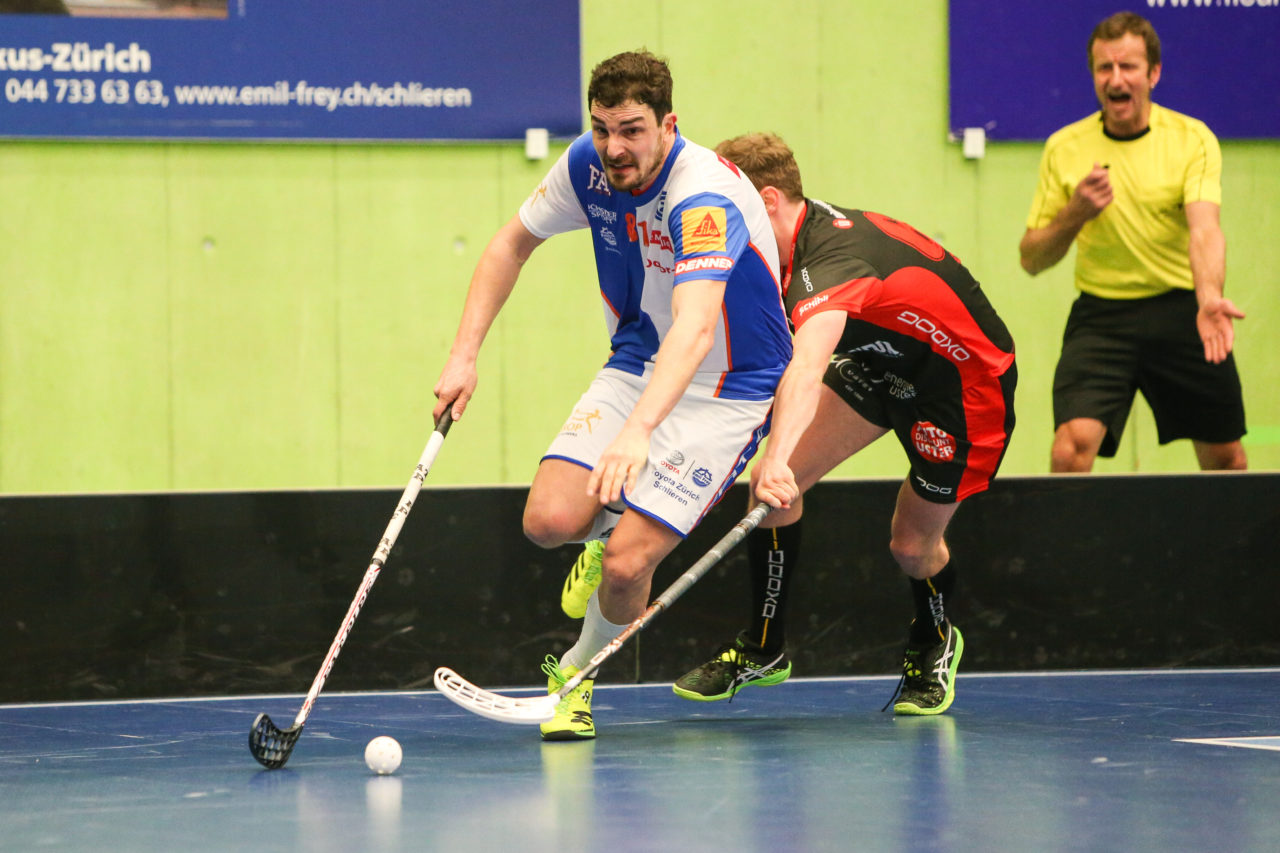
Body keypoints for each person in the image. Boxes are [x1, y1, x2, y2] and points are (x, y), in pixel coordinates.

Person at [433, 51, 792, 742]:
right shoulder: (586, 167)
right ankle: (604, 525)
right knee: (546, 520)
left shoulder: (704, 195)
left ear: (668, 124)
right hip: (638, 358)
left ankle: (573, 675)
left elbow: (694, 330)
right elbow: (511, 243)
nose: (613, 147)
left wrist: (638, 433)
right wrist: (463, 354)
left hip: (729, 388)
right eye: (602, 128)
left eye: (631, 129)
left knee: (629, 564)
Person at [666, 132, 1018, 715]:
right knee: (772, 490)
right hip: (883, 361)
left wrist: (778, 453)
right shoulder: (789, 247)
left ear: (769, 201)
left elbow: (806, 368)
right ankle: (763, 650)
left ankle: (933, 642)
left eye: (736, 209)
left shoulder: (828, 263)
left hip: (961, 387)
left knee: (910, 545)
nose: (727, 226)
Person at [1018, 11, 1247, 473]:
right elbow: (1032, 259)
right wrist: (1075, 213)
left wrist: (1209, 298)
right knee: (1070, 450)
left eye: (1128, 67)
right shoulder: (1065, 148)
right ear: (1094, 76)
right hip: (1103, 316)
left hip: (1185, 310)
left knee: (1226, 458)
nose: (1116, 79)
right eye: (1105, 68)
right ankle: (1073, 546)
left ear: (1153, 74)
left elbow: (1205, 229)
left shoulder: (1192, 139)